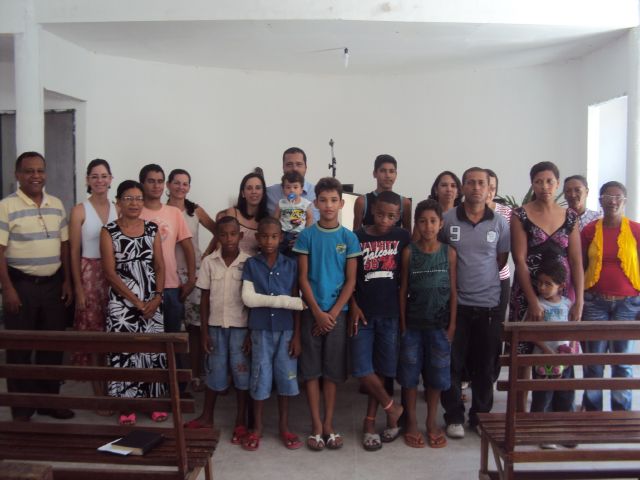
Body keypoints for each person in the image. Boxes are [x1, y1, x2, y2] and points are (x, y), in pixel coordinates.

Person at [0, 151, 74, 421]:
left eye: (40, 170)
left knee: (52, 346)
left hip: (53, 285)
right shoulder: (6, 206)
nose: (35, 175)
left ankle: (48, 402)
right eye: (29, 171)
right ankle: (22, 410)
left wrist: (66, 281)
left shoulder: (56, 204)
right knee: (20, 348)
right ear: (17, 175)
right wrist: (7, 289)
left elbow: (64, 245)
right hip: (21, 286)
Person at [440, 167, 510, 439]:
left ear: (489, 187)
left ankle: (480, 416)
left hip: (488, 304)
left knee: (484, 365)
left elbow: (501, 261)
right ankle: (454, 416)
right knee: (452, 364)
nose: (476, 188)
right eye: (471, 182)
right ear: (463, 187)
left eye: (482, 183)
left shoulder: (499, 223)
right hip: (455, 305)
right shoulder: (448, 219)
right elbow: (441, 256)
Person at [293, 177, 361, 451]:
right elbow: (302, 278)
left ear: (342, 203)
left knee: (332, 372)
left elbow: (351, 281)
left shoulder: (349, 238)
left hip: (337, 314)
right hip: (312, 312)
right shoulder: (306, 236)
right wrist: (318, 313)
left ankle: (329, 424)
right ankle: (316, 426)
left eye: (334, 200)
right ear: (315, 203)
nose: (329, 205)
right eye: (323, 200)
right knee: (311, 371)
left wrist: (331, 314)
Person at [510, 161, 584, 412]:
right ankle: (520, 414)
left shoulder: (570, 216)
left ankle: (557, 415)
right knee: (524, 354)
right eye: (538, 181)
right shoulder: (520, 214)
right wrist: (532, 301)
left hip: (561, 296)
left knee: (561, 350)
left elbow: (576, 260)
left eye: (549, 181)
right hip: (527, 293)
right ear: (532, 184)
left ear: (557, 184)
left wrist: (579, 301)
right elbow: (519, 259)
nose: (544, 186)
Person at [100, 180, 166, 426]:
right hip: (122, 305)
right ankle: (126, 406)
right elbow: (110, 273)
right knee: (125, 352)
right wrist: (136, 302)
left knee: (152, 352)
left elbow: (159, 265)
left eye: (139, 198)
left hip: (152, 303)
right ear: (118, 202)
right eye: (128, 198)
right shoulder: (108, 231)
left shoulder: (152, 229)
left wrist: (157, 297)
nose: (134, 203)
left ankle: (153, 403)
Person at [349, 191, 408, 451]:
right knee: (361, 369)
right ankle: (393, 408)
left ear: (399, 217)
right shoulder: (357, 237)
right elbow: (348, 277)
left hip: (390, 314)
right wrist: (353, 304)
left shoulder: (403, 237)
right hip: (363, 314)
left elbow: (406, 276)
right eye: (381, 214)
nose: (385, 220)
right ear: (372, 210)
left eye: (391, 216)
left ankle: (370, 423)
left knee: (383, 371)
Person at [241, 217, 305, 451]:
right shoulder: (251, 265)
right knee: (259, 376)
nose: (269, 241)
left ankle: (284, 426)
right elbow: (247, 302)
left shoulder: (291, 265)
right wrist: (248, 333)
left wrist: (297, 336)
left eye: (274, 236)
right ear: (258, 238)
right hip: (259, 330)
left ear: (281, 238)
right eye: (265, 236)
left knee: (286, 378)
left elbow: (297, 303)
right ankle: (257, 428)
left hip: (286, 330)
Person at [185, 217, 251, 441]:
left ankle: (240, 420)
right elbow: (204, 298)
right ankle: (207, 416)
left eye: (233, 234)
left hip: (241, 328)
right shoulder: (209, 262)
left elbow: (252, 302)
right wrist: (204, 332)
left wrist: (251, 334)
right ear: (218, 237)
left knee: (242, 374)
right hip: (215, 328)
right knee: (214, 371)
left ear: (240, 236)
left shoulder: (249, 263)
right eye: (223, 234)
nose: (228, 239)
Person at [399, 199, 457, 449]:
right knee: (410, 377)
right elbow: (402, 290)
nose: (428, 226)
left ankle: (431, 422)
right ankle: (411, 422)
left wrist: (452, 325)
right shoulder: (409, 252)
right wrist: (403, 325)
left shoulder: (449, 253)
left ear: (441, 224)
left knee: (436, 377)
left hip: (439, 327)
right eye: (422, 221)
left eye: (433, 221)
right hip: (413, 326)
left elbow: (453, 291)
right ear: (416, 224)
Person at [582, 181, 640, 412]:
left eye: (618, 197)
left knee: (622, 363)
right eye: (608, 197)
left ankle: (621, 414)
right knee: (593, 363)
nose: (613, 201)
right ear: (600, 201)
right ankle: (593, 413)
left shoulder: (636, 230)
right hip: (595, 302)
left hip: (628, 304)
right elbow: (581, 265)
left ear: (625, 201)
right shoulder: (589, 231)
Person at [166, 168, 216, 393]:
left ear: (189, 187)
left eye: (185, 183)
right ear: (168, 185)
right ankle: (173, 376)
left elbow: (218, 230)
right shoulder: (162, 210)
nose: (180, 187)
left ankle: (196, 374)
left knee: (195, 328)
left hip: (194, 275)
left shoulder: (194, 211)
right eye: (176, 183)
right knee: (172, 327)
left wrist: (205, 255)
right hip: (169, 274)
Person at [69, 159, 117, 367]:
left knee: (112, 326)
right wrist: (78, 288)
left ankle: (111, 380)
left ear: (111, 179)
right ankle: (97, 383)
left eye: (104, 176)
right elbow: (73, 252)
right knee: (92, 327)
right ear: (88, 180)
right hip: (88, 276)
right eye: (95, 176)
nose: (100, 181)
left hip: (113, 274)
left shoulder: (118, 208)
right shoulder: (79, 210)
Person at [139, 164, 195, 336]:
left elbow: (188, 247)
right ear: (142, 183)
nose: (156, 186)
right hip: (143, 286)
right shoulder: (135, 212)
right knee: (146, 341)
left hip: (171, 285)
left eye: (160, 181)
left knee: (172, 339)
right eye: (151, 181)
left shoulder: (174, 213)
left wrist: (191, 279)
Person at [529, 260, 575, 447]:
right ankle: (543, 433)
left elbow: (573, 330)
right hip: (543, 360)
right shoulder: (537, 306)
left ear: (561, 286)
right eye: (540, 283)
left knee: (565, 395)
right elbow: (530, 332)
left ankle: (564, 432)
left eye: (548, 284)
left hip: (564, 360)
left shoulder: (567, 304)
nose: (542, 287)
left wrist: (572, 348)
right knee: (543, 396)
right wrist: (547, 351)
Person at [486, 168, 512, 381]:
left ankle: (491, 373)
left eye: (492, 187)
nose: (487, 191)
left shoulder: (507, 213)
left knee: (496, 327)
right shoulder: (462, 212)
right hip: (470, 280)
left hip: (500, 278)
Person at [205, 171, 268, 257]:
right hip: (229, 261)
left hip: (253, 263)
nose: (254, 191)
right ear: (243, 193)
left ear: (263, 192)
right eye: (249, 188)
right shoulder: (233, 212)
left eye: (258, 188)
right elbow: (221, 243)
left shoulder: (266, 219)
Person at [352, 154, 413, 231]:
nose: (388, 175)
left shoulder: (405, 203)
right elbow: (355, 234)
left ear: (396, 174)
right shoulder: (362, 202)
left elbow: (408, 234)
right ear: (374, 173)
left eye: (391, 171)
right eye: (383, 171)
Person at [266, 147, 318, 221]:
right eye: (289, 164)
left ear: (305, 168)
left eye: (299, 164)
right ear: (283, 167)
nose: (294, 168)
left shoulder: (317, 193)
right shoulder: (269, 193)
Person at [273, 171, 313, 255]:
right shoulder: (281, 203)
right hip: (283, 233)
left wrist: (305, 232)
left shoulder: (305, 203)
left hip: (298, 234)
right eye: (288, 187)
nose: (291, 190)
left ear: (301, 190)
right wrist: (277, 232)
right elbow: (275, 219)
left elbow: (309, 218)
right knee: (278, 254)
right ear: (283, 189)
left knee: (296, 255)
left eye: (295, 187)